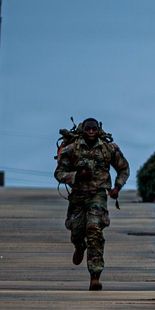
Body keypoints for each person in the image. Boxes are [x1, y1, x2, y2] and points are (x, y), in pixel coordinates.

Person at [55, 118, 130, 290]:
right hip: (77, 196)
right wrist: (77, 176)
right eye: (87, 129)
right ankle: (79, 246)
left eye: (93, 129)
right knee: (77, 230)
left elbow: (123, 168)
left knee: (94, 230)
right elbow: (59, 173)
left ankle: (95, 275)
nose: (90, 132)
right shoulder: (72, 149)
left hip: (97, 196)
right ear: (83, 130)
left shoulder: (108, 148)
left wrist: (117, 187)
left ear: (98, 130)